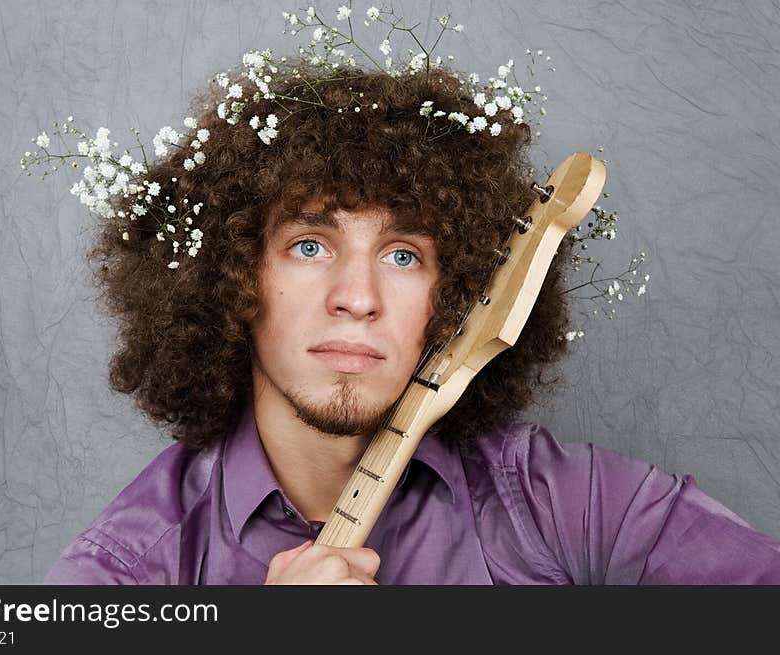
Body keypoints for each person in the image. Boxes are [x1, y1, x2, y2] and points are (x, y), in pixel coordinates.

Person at [42, 55, 780, 585]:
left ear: (456, 293)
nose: (357, 296)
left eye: (402, 255)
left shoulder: (554, 502)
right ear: (231, 279)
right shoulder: (129, 570)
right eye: (309, 245)